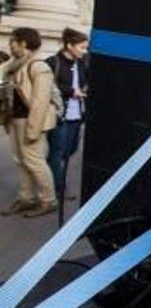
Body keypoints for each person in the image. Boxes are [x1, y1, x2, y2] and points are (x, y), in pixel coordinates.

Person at [1, 28, 58, 217]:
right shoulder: (17, 64)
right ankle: (26, 198)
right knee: (21, 161)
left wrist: (33, 129)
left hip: (30, 121)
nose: (10, 45)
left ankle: (48, 200)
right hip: (17, 119)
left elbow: (40, 102)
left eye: (13, 42)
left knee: (35, 162)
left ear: (23, 43)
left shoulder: (39, 66)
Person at [46, 28, 89, 200]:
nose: (84, 51)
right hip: (59, 115)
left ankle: (51, 180)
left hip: (77, 115)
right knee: (56, 153)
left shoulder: (83, 62)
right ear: (69, 45)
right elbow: (48, 87)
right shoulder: (53, 62)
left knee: (70, 150)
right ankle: (59, 189)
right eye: (81, 47)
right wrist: (72, 91)